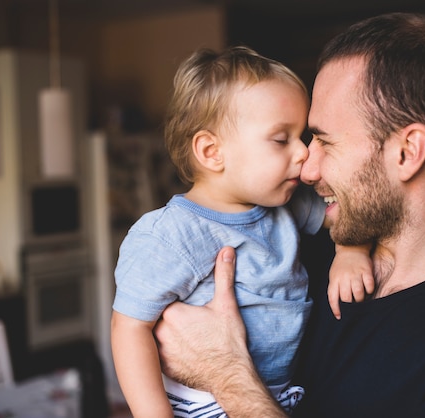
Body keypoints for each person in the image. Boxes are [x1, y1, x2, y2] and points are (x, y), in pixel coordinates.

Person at [153, 12, 425, 417]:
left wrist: (227, 376)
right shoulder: (290, 255)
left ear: (407, 152)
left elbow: (215, 361)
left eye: (325, 141)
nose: (307, 167)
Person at [110, 46, 375, 418]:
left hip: (275, 399)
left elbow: (349, 215)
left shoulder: (286, 205)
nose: (303, 153)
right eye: (282, 139)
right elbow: (129, 328)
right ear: (211, 151)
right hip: (199, 404)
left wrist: (351, 251)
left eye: (302, 136)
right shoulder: (170, 234)